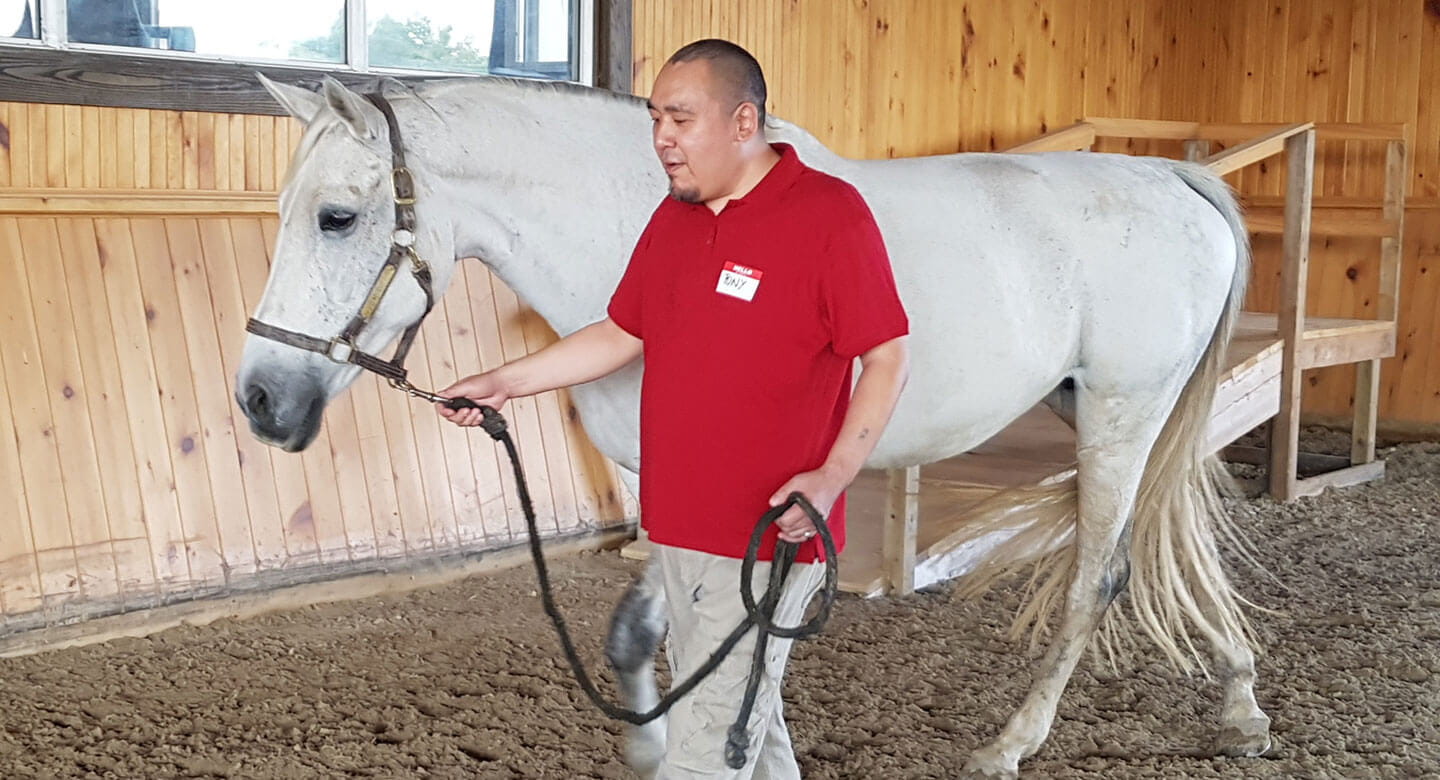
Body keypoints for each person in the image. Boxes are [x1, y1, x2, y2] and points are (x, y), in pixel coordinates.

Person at [438, 38, 910, 779]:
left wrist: (832, 475)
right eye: (657, 118)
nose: (662, 138)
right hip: (682, 526)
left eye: (681, 119)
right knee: (745, 727)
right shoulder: (676, 219)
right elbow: (622, 332)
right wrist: (505, 381)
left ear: (743, 121)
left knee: (704, 749)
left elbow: (887, 356)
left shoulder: (830, 217)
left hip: (772, 536)